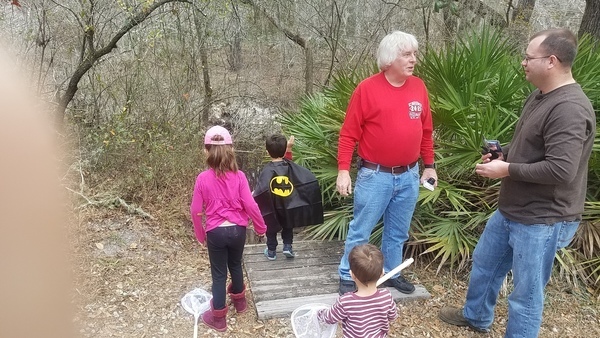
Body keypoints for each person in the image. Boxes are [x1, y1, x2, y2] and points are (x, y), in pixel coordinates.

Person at [439, 28, 596, 337]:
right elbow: (531, 148)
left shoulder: (570, 109)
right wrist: (503, 154)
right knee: (485, 264)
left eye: (528, 57)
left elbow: (561, 170)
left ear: (551, 61)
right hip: (513, 208)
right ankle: (476, 316)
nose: (523, 62)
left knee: (525, 295)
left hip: (543, 218)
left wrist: (507, 169)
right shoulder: (540, 95)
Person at [336, 30, 437, 295]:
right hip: (375, 175)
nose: (413, 59)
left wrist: (430, 165)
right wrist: (343, 170)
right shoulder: (366, 89)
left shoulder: (419, 87)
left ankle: (392, 273)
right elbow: (348, 134)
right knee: (361, 230)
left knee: (398, 232)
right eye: (406, 54)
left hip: (409, 175)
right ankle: (348, 275)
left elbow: (426, 131)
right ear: (390, 59)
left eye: (414, 53)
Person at [189, 125, 267, 333]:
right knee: (235, 264)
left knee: (218, 274)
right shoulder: (240, 176)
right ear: (231, 149)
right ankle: (240, 303)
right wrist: (260, 227)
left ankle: (219, 318)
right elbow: (250, 205)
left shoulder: (202, 179)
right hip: (237, 231)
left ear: (207, 151)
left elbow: (196, 210)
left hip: (215, 232)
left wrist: (200, 233)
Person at [253, 134, 324, 260]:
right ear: (285, 150)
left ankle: (271, 251)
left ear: (267, 152)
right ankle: (287, 247)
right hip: (288, 203)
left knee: (270, 228)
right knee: (288, 224)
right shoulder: (289, 165)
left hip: (273, 206)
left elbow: (261, 190)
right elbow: (289, 160)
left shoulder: (266, 170)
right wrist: (289, 149)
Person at [317, 244, 398, 337]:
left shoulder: (346, 301)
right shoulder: (386, 296)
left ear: (352, 275)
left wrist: (319, 313)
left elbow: (329, 318)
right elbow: (393, 316)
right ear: (382, 273)